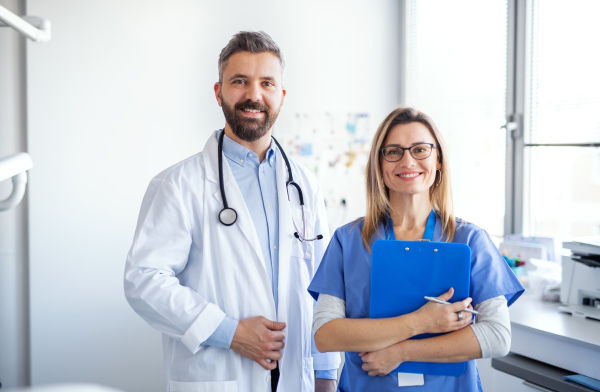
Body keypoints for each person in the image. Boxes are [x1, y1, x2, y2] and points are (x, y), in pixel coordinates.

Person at [124, 31, 339, 392]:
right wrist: (230, 332)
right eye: (240, 81)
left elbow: (324, 288)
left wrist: (325, 375)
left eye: (266, 83)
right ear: (219, 91)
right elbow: (144, 280)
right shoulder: (179, 185)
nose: (254, 95)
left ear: (281, 96)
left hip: (296, 379)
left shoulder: (305, 186)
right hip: (219, 375)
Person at [308, 106, 524, 391]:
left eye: (420, 150)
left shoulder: (470, 240)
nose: (407, 161)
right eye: (394, 151)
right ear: (380, 165)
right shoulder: (348, 241)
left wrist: (400, 352)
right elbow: (325, 335)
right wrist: (420, 322)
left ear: (438, 161)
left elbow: (497, 336)